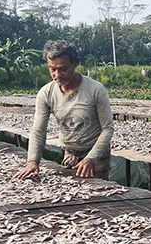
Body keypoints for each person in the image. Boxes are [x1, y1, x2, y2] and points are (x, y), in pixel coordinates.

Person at [14, 40, 114, 180]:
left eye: (63, 69)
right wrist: (32, 161)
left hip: (96, 158)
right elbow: (38, 130)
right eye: (52, 69)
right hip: (70, 156)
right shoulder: (46, 93)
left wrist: (91, 158)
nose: (57, 75)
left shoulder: (95, 89)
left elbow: (108, 128)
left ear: (75, 64)